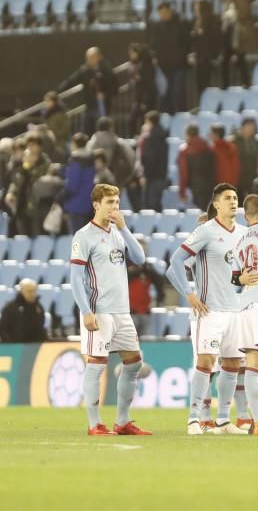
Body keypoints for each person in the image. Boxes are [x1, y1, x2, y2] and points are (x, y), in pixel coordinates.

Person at [69, 183, 151, 436]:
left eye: (117, 202)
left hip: (122, 312)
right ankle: (94, 424)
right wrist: (86, 310)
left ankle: (123, 421)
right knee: (96, 364)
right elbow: (75, 277)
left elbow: (140, 259)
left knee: (134, 362)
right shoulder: (84, 236)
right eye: (110, 203)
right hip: (99, 310)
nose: (115, 207)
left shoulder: (118, 232)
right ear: (96, 205)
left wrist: (125, 229)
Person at [166, 183, 246, 435]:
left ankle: (223, 420)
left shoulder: (244, 234)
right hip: (209, 311)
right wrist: (189, 294)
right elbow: (175, 261)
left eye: (235, 198)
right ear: (216, 204)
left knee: (232, 363)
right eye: (228, 198)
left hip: (236, 310)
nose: (233, 202)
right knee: (206, 361)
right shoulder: (206, 231)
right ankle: (194, 419)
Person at [58, 46, 118, 134]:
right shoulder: (84, 70)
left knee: (102, 130)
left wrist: (105, 94)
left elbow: (115, 87)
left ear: (99, 57)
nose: (89, 59)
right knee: (87, 130)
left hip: (103, 105)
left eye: (92, 57)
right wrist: (58, 91)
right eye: (88, 57)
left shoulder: (106, 70)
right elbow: (71, 80)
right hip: (89, 105)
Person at [4, 132, 51, 236]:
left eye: (33, 145)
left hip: (39, 205)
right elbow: (16, 181)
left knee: (37, 235)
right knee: (23, 236)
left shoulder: (44, 161)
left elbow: (43, 180)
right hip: (22, 204)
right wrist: (11, 193)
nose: (30, 148)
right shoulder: (22, 162)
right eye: (28, 145)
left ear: (39, 146)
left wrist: (32, 166)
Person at [148, 2, 190, 113]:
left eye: (165, 12)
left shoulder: (181, 23)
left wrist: (181, 55)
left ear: (170, 10)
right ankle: (169, 120)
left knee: (178, 93)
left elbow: (187, 42)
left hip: (179, 65)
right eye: (160, 13)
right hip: (164, 67)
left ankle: (182, 117)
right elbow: (154, 44)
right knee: (165, 94)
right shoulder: (157, 26)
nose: (163, 15)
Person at [219, 0, 254, 88]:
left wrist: (233, 14)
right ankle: (226, 84)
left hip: (238, 32)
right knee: (225, 59)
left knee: (240, 58)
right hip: (229, 31)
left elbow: (244, 13)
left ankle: (245, 82)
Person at [177, 124, 216, 210]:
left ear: (187, 134)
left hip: (194, 188)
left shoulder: (185, 150)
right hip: (209, 186)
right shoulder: (208, 147)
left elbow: (183, 173)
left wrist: (182, 192)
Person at [191, 0, 222, 96]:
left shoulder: (211, 22)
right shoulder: (197, 22)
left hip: (207, 58)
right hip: (199, 57)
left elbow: (212, 39)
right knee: (200, 85)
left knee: (206, 84)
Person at [137, 111, 168, 212]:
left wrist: (145, 175)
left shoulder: (150, 138)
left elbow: (149, 158)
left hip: (151, 176)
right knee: (157, 204)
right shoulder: (163, 135)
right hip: (161, 174)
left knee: (149, 205)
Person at [231, 117, 258, 200]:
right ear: (242, 127)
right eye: (248, 127)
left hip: (253, 181)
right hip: (237, 181)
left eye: (252, 128)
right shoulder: (233, 142)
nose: (250, 130)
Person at [41, 91, 70, 157]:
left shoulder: (61, 113)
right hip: (48, 143)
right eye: (45, 101)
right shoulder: (47, 114)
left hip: (60, 143)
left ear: (54, 101)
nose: (46, 103)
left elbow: (65, 129)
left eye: (48, 101)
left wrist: (53, 134)